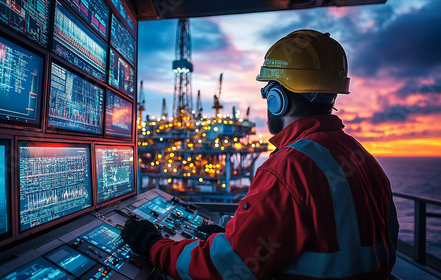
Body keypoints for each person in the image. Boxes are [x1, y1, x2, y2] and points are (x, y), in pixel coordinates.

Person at [122, 29, 399, 280]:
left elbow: (222, 271)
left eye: (267, 92)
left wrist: (154, 245)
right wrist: (240, 240)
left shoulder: (290, 167)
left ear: (279, 99)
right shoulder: (363, 158)